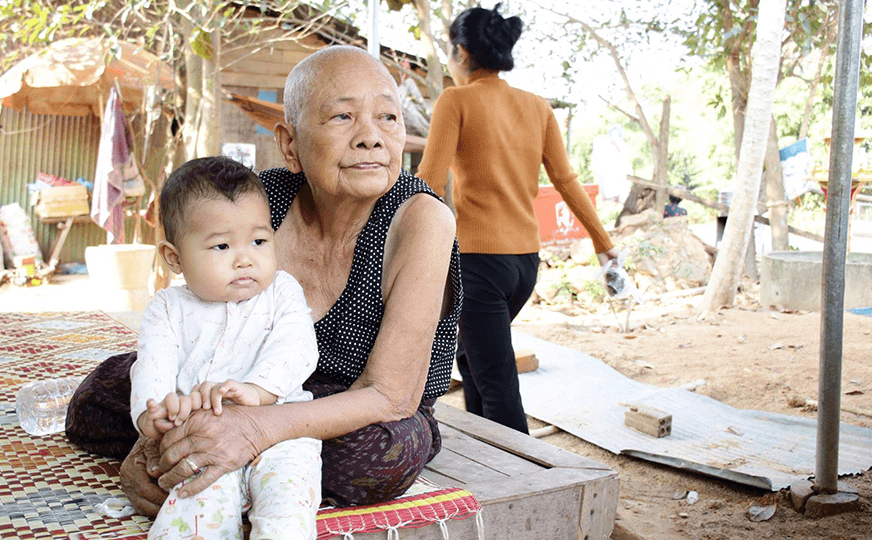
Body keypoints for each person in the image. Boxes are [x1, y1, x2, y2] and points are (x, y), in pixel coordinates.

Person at [65, 44, 462, 517]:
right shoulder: (263, 199)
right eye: (342, 117)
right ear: (290, 144)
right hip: (232, 379)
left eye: (388, 118)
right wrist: (154, 436)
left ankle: (220, 461)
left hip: (356, 406)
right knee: (100, 393)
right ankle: (221, 460)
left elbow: (391, 396)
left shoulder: (421, 218)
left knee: (377, 456)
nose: (370, 138)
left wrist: (252, 429)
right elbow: (196, 313)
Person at [416, 3, 619, 434]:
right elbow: (565, 180)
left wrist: (383, 231)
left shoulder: (456, 101)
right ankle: (486, 452)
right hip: (524, 266)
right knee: (471, 358)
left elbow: (428, 184)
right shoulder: (537, 107)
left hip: (477, 265)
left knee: (496, 381)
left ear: (462, 53)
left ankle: (525, 478)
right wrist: (605, 244)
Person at [132, 156, 321, 539]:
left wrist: (257, 390)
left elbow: (296, 348)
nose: (245, 258)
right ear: (174, 258)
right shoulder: (167, 308)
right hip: (200, 437)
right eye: (221, 245)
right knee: (192, 511)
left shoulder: (282, 291)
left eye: (259, 240)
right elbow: (152, 365)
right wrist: (154, 413)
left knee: (287, 514)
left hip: (280, 433)